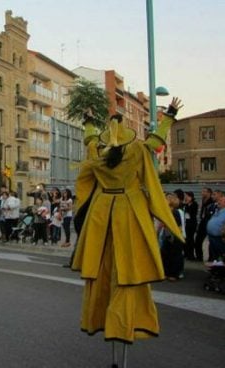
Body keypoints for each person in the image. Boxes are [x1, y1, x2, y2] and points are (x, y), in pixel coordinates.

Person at [72, 97, 183, 346]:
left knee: (102, 268)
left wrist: (88, 120)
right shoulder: (136, 150)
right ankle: (124, 321)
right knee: (128, 270)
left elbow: (89, 138)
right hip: (129, 213)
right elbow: (156, 142)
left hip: (101, 214)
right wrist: (171, 115)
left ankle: (100, 318)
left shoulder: (96, 151)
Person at [206, 197, 225, 262]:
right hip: (212, 236)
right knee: (214, 254)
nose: (218, 202)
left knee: (220, 254)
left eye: (220, 200)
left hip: (219, 238)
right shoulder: (218, 211)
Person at [195, 187, 214, 261]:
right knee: (198, 239)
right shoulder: (203, 200)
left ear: (209, 193)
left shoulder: (211, 202)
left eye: (204, 191)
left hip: (208, 222)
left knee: (210, 241)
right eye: (202, 191)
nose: (202, 193)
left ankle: (211, 258)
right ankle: (199, 256)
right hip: (203, 221)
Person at [182, 191, 198, 260]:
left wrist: (187, 205)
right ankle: (186, 253)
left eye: (187, 196)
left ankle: (191, 255)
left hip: (192, 224)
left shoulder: (194, 204)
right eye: (185, 196)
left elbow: (191, 213)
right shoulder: (185, 204)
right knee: (186, 239)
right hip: (186, 223)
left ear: (191, 197)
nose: (186, 198)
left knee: (190, 239)